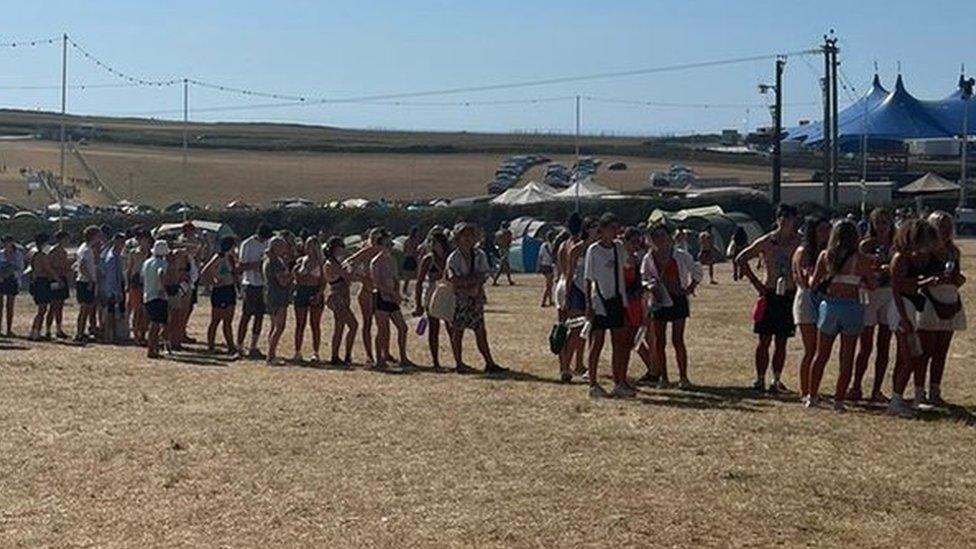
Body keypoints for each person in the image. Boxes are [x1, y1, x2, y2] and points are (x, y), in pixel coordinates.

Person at [805, 220, 874, 410]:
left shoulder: (826, 256)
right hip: (852, 307)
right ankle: (839, 400)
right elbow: (873, 284)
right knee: (847, 356)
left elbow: (813, 284)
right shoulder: (861, 260)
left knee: (821, 355)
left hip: (830, 306)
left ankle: (812, 396)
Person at [735, 204, 800, 393]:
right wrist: (757, 284)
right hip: (770, 293)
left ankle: (776, 380)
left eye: (789, 216)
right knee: (764, 340)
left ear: (795, 219)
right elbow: (741, 258)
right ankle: (760, 379)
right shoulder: (767, 241)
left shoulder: (800, 242)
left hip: (789, 294)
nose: (785, 220)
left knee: (782, 341)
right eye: (782, 216)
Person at [886, 219, 941, 418]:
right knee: (910, 358)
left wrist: (924, 281)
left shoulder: (909, 258)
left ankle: (897, 398)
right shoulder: (900, 258)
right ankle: (896, 400)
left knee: (906, 357)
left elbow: (907, 284)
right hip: (901, 308)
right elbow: (896, 289)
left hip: (907, 307)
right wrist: (903, 317)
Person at [914, 211, 966, 406]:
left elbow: (956, 275)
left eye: (947, 226)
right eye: (940, 225)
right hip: (928, 300)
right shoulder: (923, 251)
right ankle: (920, 392)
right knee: (924, 350)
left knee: (941, 351)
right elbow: (915, 279)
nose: (944, 230)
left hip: (949, 299)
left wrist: (957, 279)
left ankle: (935, 391)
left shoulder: (953, 252)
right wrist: (931, 280)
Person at [642, 224, 702, 389]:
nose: (660, 239)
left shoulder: (681, 256)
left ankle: (683, 377)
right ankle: (664, 377)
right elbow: (643, 277)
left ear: (669, 237)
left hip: (677, 299)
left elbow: (697, 270)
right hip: (658, 300)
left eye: (663, 235)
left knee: (678, 339)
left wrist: (690, 288)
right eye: (656, 236)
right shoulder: (649, 258)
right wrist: (649, 286)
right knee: (659, 341)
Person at [447, 223, 506, 374]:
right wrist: (471, 282)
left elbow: (483, 276)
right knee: (457, 331)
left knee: (481, 331)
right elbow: (454, 280)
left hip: (475, 298)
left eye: (471, 236)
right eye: (464, 236)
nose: (468, 239)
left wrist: (467, 282)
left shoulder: (480, 255)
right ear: (458, 238)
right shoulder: (453, 258)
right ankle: (459, 363)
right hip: (460, 299)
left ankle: (489, 362)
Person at [851, 208, 895, 402]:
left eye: (886, 222)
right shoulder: (866, 245)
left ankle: (877, 389)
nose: (882, 227)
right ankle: (856, 386)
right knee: (865, 345)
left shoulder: (897, 245)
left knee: (884, 345)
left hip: (889, 294)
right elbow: (858, 269)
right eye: (879, 223)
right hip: (869, 294)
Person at [584, 213, 631, 398]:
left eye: (616, 228)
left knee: (618, 342)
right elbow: (588, 278)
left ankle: (618, 381)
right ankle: (593, 384)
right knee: (597, 343)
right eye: (611, 228)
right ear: (601, 230)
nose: (614, 232)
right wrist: (589, 304)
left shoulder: (619, 247)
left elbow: (628, 262)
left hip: (617, 299)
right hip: (600, 301)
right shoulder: (593, 250)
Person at [792, 216, 830, 399]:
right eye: (822, 229)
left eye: (828, 229)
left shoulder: (826, 251)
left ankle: (811, 388)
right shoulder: (804, 251)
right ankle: (804, 389)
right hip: (807, 300)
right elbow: (805, 281)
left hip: (822, 299)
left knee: (819, 349)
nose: (826, 233)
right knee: (810, 348)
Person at [370, 230, 413, 370]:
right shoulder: (375, 262)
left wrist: (397, 293)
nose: (389, 247)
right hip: (381, 298)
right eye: (387, 244)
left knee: (403, 327)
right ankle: (379, 359)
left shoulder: (392, 260)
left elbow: (396, 279)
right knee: (382, 330)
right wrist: (392, 293)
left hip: (392, 298)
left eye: (390, 244)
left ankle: (403, 357)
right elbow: (377, 284)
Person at [413, 227, 452, 369]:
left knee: (451, 327)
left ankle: (457, 358)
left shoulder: (450, 257)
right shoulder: (428, 259)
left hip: (447, 291)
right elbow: (419, 282)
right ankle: (435, 361)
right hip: (432, 293)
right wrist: (418, 303)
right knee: (434, 328)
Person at [237, 224, 273, 358]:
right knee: (246, 316)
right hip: (250, 284)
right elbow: (241, 266)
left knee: (260, 316)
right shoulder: (247, 244)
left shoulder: (269, 243)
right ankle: (239, 346)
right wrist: (258, 265)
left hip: (263, 284)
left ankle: (253, 346)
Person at [200, 236, 239, 356]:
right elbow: (205, 270)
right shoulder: (219, 257)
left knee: (228, 320)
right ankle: (211, 346)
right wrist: (213, 281)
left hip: (230, 289)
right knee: (216, 320)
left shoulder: (231, 258)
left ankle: (231, 346)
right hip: (220, 290)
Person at [324, 237, 358, 366]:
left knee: (340, 327)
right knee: (352, 325)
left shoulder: (337, 262)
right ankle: (344, 355)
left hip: (343, 296)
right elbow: (348, 276)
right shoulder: (330, 264)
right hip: (337, 297)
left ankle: (337, 356)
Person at [292, 236, 326, 363]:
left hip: (315, 291)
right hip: (302, 291)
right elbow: (297, 279)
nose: (309, 248)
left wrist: (318, 294)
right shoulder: (301, 261)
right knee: (300, 324)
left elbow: (323, 282)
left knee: (315, 324)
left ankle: (316, 352)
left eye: (312, 246)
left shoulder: (321, 263)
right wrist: (296, 273)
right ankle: (297, 351)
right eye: (308, 245)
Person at [263, 236, 293, 365]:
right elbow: (282, 281)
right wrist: (292, 276)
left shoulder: (271, 260)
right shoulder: (274, 262)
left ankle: (271, 353)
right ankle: (270, 355)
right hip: (278, 295)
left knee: (274, 326)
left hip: (272, 294)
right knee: (279, 326)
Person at [73, 226, 102, 343]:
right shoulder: (86, 250)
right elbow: (82, 266)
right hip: (85, 282)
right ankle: (79, 333)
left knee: (87, 308)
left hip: (86, 281)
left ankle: (82, 331)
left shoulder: (86, 248)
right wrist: (90, 280)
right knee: (84, 309)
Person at [142, 240, 170, 359]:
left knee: (153, 323)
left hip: (147, 294)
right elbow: (161, 274)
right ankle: (152, 349)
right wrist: (163, 289)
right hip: (158, 296)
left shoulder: (147, 262)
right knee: (156, 324)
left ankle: (152, 347)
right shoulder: (162, 263)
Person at [98, 233, 128, 343]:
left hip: (115, 288)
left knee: (113, 313)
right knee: (109, 313)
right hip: (111, 290)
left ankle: (113, 334)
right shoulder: (111, 258)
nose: (122, 245)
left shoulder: (117, 256)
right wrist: (114, 292)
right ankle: (108, 335)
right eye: (120, 242)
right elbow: (110, 277)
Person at [126, 231, 152, 345]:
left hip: (147, 283)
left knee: (146, 311)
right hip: (135, 283)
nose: (145, 243)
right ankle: (136, 334)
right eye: (143, 240)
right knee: (137, 310)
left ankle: (143, 333)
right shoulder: (133, 253)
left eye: (147, 240)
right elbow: (129, 269)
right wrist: (128, 284)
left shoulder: (151, 254)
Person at [28, 233, 55, 341]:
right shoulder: (41, 255)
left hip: (39, 282)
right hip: (41, 282)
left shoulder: (35, 254)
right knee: (42, 309)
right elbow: (48, 269)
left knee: (42, 309)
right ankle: (36, 332)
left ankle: (35, 330)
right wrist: (57, 279)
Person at [46, 230, 72, 339]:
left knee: (60, 305)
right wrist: (57, 278)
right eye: (65, 239)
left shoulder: (64, 252)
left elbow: (65, 267)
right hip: (54, 280)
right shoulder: (53, 251)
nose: (67, 241)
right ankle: (48, 329)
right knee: (53, 305)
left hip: (62, 278)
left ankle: (58, 328)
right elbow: (49, 267)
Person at [0, 236, 23, 337]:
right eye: (4, 242)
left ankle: (9, 329)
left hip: (12, 280)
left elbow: (20, 268)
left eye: (8, 242)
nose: (6, 244)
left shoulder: (18, 254)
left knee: (10, 306)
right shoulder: (0, 254)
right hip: (1, 280)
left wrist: (11, 272)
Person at [491, 222, 514, 286]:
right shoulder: (508, 233)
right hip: (505, 249)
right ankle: (495, 280)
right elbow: (510, 241)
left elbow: (495, 243)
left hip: (500, 250)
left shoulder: (498, 233)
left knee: (506, 266)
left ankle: (509, 280)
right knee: (502, 266)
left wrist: (498, 248)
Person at [537, 229, 556, 307]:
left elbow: (540, 256)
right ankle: (543, 301)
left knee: (550, 284)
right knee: (549, 285)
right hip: (548, 265)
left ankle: (550, 300)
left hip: (544, 265)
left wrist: (538, 266)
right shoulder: (551, 245)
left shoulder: (543, 245)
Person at [401, 225, 421, 297]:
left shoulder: (409, 240)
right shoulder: (413, 241)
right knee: (408, 276)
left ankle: (407, 289)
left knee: (412, 275)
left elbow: (404, 250)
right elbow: (414, 250)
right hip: (410, 258)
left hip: (409, 258)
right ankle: (405, 289)